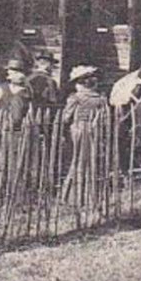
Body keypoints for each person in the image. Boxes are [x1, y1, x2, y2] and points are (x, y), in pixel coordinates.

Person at [62, 65, 111, 212]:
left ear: (81, 83)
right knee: (91, 162)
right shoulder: (101, 99)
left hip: (79, 130)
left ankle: (73, 197)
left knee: (77, 161)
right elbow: (105, 117)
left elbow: (65, 118)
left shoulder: (76, 98)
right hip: (95, 131)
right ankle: (90, 196)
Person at [0, 57, 33, 130]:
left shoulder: (25, 90)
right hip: (3, 124)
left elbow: (29, 107)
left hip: (21, 126)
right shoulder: (3, 87)